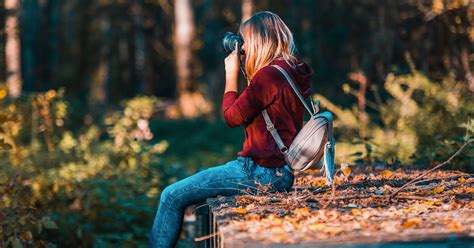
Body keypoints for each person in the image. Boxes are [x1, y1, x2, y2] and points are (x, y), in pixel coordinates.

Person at [147, 11, 314, 248]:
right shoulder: (291, 70)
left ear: (259, 40)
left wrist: (231, 75)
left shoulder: (268, 76)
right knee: (194, 193)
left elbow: (232, 116)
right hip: (281, 171)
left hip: (259, 172)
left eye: (245, 40)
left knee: (171, 196)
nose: (242, 47)